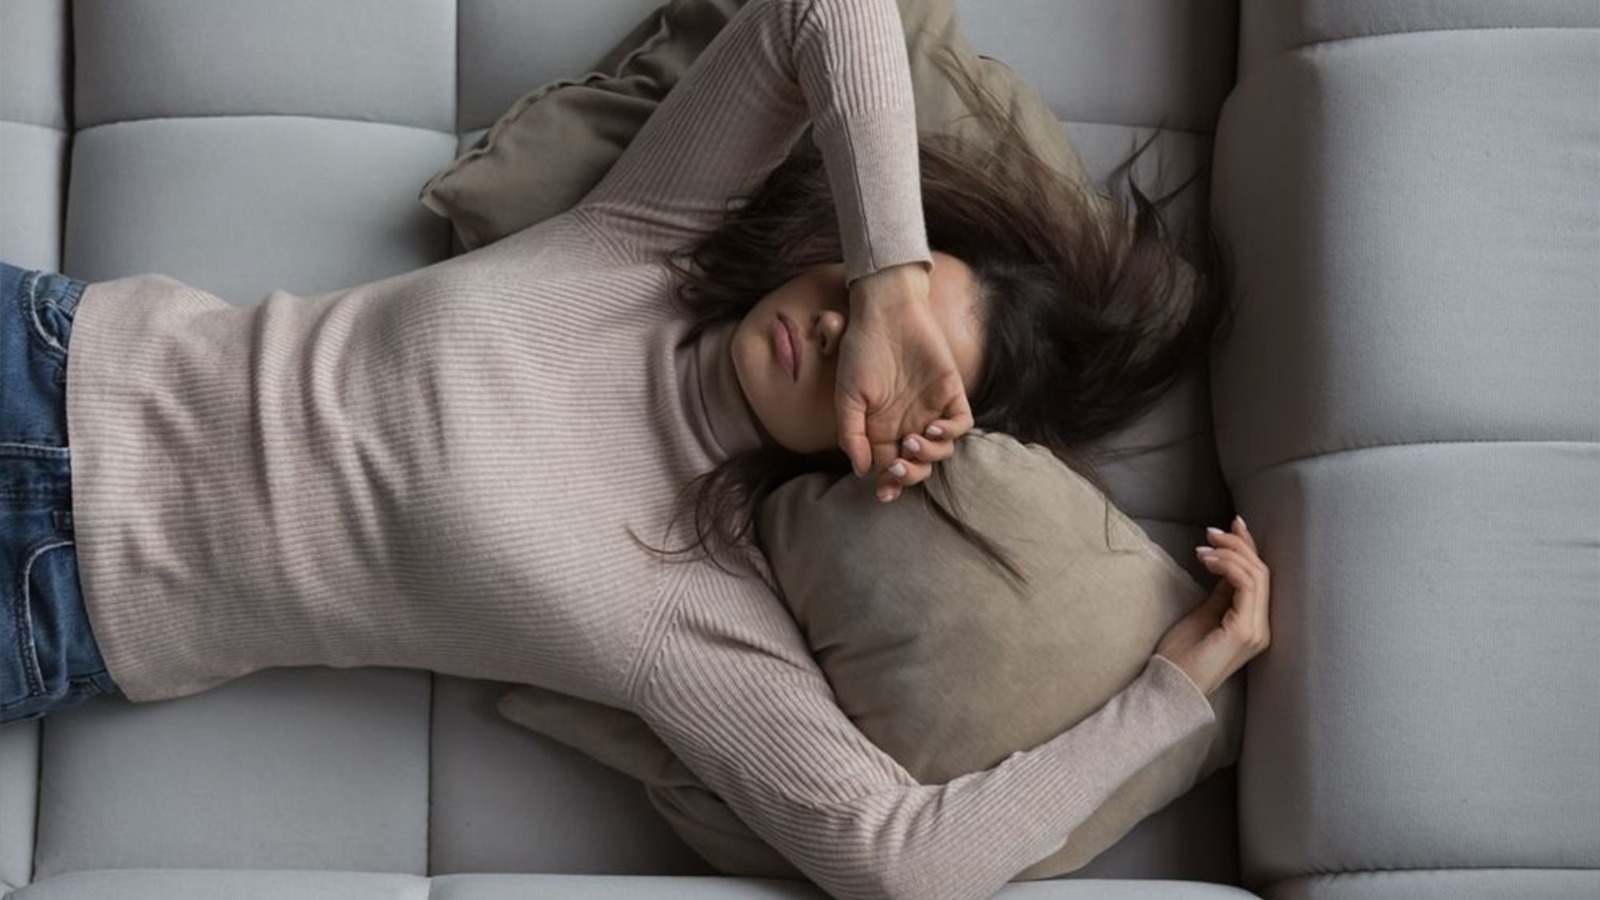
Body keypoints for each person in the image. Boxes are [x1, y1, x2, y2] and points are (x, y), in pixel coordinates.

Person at [0, 0, 1271, 898]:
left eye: (885, 373)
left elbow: (902, 860)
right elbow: (822, 13)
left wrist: (1165, 697)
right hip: (56, 354)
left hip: (58, 597)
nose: (839, 330)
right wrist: (893, 280)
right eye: (870, 300)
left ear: (904, 456)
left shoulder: (690, 614)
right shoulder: (642, 247)